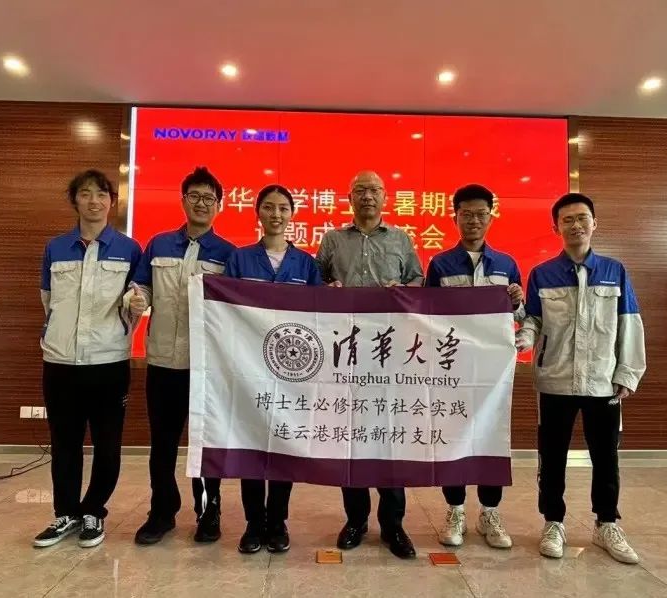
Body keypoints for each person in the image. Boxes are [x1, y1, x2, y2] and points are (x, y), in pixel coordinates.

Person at [516, 192, 646, 564]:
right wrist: (524, 339)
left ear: (594, 223)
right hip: (555, 380)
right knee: (551, 456)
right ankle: (553, 522)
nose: (575, 225)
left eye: (582, 218)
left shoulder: (615, 271)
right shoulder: (542, 273)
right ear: (555, 227)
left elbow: (629, 322)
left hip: (602, 381)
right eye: (567, 219)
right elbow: (534, 319)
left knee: (605, 457)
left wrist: (627, 372)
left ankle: (606, 523)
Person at [315, 170, 423, 560]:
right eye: (360, 190)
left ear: (385, 197)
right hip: (344, 353)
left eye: (374, 189)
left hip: (388, 354)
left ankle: (393, 524)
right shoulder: (332, 240)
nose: (367, 196)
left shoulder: (401, 239)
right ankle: (356, 520)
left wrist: (404, 291)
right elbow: (314, 283)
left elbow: (418, 281)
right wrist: (326, 290)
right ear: (349, 198)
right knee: (351, 438)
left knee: (390, 438)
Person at [127, 166, 236, 546]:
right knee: (163, 443)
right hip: (162, 361)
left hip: (206, 366)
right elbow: (142, 287)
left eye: (209, 198)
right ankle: (161, 512)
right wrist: (136, 298)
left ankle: (208, 513)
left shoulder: (228, 254)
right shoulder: (158, 245)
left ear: (219, 205)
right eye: (195, 197)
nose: (201, 204)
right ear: (183, 200)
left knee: (205, 445)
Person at [34, 170, 142, 549]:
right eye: (85, 194)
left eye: (101, 194)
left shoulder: (129, 249)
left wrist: (134, 307)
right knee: (64, 442)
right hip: (61, 362)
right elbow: (48, 300)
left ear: (112, 201)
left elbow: (135, 300)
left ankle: (94, 510)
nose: (94, 201)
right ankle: (65, 512)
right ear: (75, 200)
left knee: (107, 443)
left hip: (108, 362)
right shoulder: (56, 247)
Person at [223, 184, 322, 554]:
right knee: (251, 445)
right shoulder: (240, 259)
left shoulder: (306, 264)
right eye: (268, 207)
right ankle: (253, 523)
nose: (276, 214)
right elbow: (224, 311)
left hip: (292, 372)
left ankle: (277, 522)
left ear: (292, 214)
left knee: (283, 443)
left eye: (283, 208)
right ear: (258, 213)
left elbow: (318, 316)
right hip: (249, 369)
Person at [423, 183, 522, 549]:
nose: (474, 221)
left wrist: (517, 301)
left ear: (491, 218)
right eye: (467, 214)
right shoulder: (440, 264)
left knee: (491, 437)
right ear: (455, 218)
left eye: (481, 214)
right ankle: (456, 509)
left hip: (493, 373)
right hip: (453, 370)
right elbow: (427, 316)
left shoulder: (507, 264)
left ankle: (490, 512)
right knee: (453, 438)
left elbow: (518, 316)